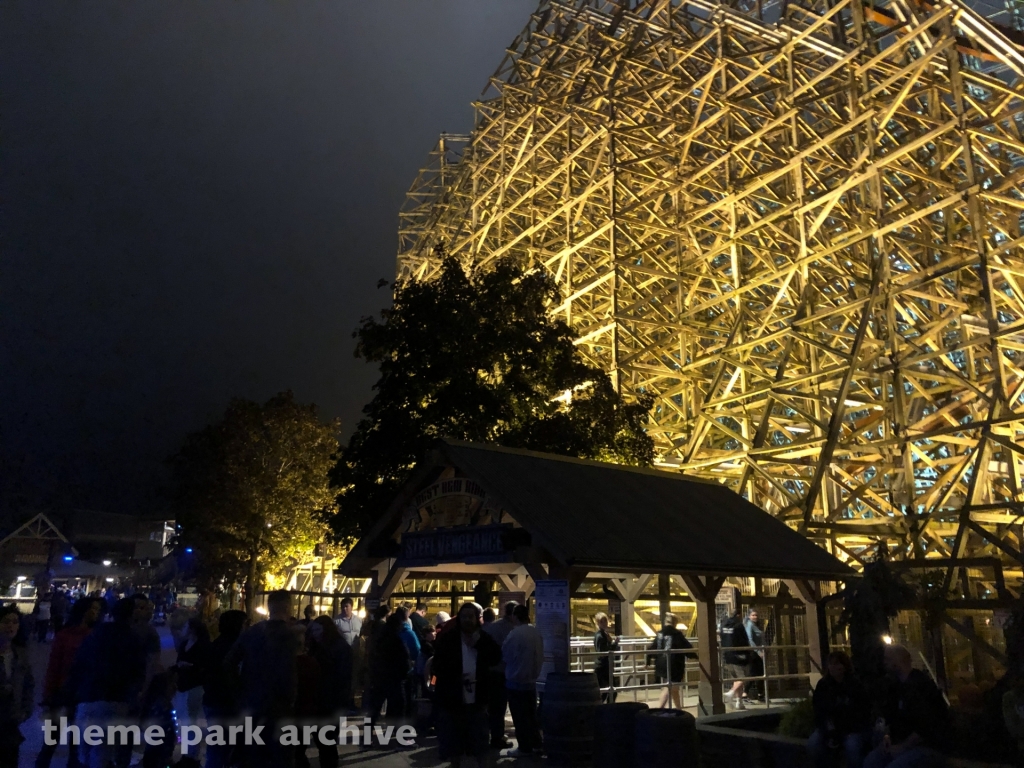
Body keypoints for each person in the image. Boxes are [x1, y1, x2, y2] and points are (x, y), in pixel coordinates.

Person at [225, 589, 299, 768]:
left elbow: (228, 663)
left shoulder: (252, 633)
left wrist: (240, 692)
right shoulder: (291, 636)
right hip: (279, 708)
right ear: (288, 607)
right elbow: (289, 673)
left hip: (252, 705)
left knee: (253, 757)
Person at [75, 597, 148, 768]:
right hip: (115, 700)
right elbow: (138, 671)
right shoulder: (132, 639)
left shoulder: (97, 634)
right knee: (102, 751)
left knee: (84, 751)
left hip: (88, 696)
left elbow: (79, 663)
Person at [433, 602, 502, 766]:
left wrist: (479, 644)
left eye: (470, 617)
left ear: (477, 619)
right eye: (464, 617)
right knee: (455, 743)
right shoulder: (449, 639)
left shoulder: (483, 638)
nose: (467, 621)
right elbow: (438, 666)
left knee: (480, 741)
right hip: (454, 699)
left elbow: (496, 657)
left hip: (478, 699)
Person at [37, 597, 101, 768]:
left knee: (77, 745)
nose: (96, 612)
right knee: (51, 742)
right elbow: (54, 666)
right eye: (93, 608)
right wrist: (48, 694)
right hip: (63, 694)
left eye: (97, 609)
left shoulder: (97, 635)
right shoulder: (66, 635)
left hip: (85, 695)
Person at [864, 645, 949, 768]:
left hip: (928, 747)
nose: (884, 663)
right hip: (903, 744)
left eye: (888, 659)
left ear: (898, 660)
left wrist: (902, 747)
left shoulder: (921, 686)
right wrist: (888, 737)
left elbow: (926, 728)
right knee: (871, 762)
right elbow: (891, 717)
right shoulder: (896, 686)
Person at [808, 651, 870, 768]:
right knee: (813, 743)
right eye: (831, 664)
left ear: (844, 666)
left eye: (836, 664)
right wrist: (829, 731)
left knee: (852, 747)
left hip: (851, 729)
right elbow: (819, 711)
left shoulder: (855, 685)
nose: (833, 667)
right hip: (829, 727)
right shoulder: (823, 685)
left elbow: (861, 712)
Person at [202, 610, 248, 768]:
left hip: (214, 701)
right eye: (244, 624)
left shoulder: (215, 644)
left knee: (217, 748)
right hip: (229, 703)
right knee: (231, 749)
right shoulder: (237, 648)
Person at [502, 604, 544, 759]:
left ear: (514, 616)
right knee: (531, 716)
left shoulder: (515, 634)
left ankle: (524, 747)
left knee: (519, 717)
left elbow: (506, 655)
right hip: (532, 682)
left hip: (515, 682)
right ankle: (537, 744)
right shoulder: (536, 632)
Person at [0, 606, 33, 767]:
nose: (10, 626)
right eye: (5, 622)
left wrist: (25, 711)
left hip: (10, 723)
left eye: (15, 622)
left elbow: (28, 685)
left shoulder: (20, 654)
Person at [481, 601, 516, 749]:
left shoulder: (493, 627)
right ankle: (497, 737)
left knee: (491, 706)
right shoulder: (512, 629)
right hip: (503, 672)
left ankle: (487, 735)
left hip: (488, 671)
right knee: (499, 707)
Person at [310, 615, 354, 725]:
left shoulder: (337, 647)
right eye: (313, 630)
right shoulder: (320, 646)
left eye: (318, 630)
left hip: (332, 698)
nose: (315, 633)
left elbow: (343, 675)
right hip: (324, 698)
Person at [292, 624, 323, 768]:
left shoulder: (288, 663)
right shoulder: (311, 663)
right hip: (306, 710)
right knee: (300, 748)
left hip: (293, 710)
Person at [648, 612, 691, 709]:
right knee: (669, 687)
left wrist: (648, 660)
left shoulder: (660, 633)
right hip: (674, 664)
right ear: (675, 622)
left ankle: (679, 708)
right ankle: (659, 709)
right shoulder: (676, 634)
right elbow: (687, 646)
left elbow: (652, 647)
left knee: (673, 688)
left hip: (661, 663)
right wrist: (695, 656)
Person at [722, 609, 752, 709]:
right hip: (739, 655)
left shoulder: (723, 625)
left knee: (736, 679)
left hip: (727, 655)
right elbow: (745, 639)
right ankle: (730, 693)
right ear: (738, 615)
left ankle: (739, 702)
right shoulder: (739, 625)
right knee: (744, 678)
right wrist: (747, 652)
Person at [593, 612, 619, 702]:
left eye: (605, 621)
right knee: (611, 690)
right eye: (602, 621)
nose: (604, 623)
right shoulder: (601, 636)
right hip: (603, 667)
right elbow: (604, 652)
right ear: (598, 623)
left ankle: (603, 708)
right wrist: (614, 643)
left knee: (606, 691)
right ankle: (607, 708)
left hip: (602, 666)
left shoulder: (602, 634)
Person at [744, 608, 766, 700]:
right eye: (753, 615)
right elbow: (750, 639)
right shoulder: (750, 625)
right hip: (754, 653)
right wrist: (758, 651)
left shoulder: (756, 625)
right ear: (749, 616)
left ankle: (760, 694)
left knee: (759, 673)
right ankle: (745, 692)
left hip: (758, 652)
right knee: (754, 673)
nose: (755, 617)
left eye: (756, 615)